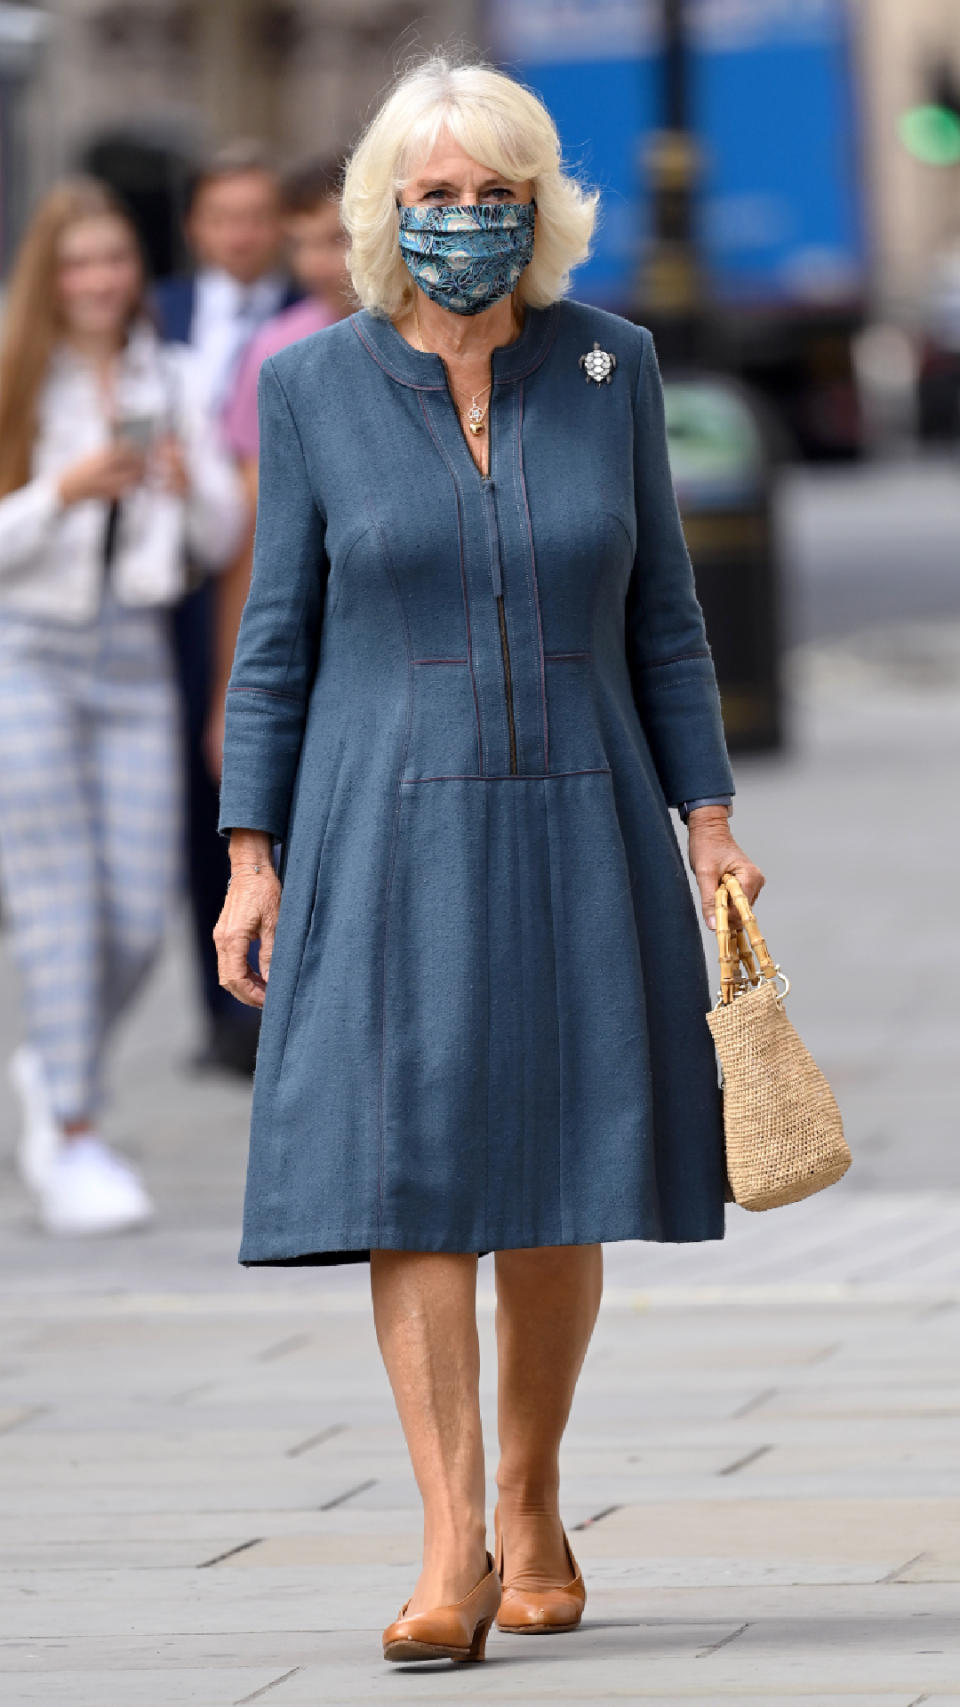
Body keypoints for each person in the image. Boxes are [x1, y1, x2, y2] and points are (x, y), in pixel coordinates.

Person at [213, 55, 765, 1664]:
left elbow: (664, 612)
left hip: (585, 800)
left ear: (540, 206)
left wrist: (711, 818)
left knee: (565, 1163)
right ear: (390, 209)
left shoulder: (616, 367)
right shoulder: (312, 388)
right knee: (415, 1171)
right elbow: (274, 641)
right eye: (439, 193)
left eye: (495, 192)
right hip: (382, 815)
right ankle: (449, 1540)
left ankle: (532, 1493)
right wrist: (252, 853)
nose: (467, 218)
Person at [0, 177, 245, 1235]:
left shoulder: (171, 373)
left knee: (141, 917)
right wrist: (63, 489)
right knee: (60, 902)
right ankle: (72, 1129)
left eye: (113, 261)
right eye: (77, 264)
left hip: (137, 658)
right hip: (27, 654)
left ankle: (46, 1064)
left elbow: (220, 540)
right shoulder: (17, 378)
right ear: (48, 278)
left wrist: (189, 484)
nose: (99, 281)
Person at [153, 143, 301, 1077]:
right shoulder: (157, 314)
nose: (242, 234)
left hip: (263, 563)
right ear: (196, 227)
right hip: (170, 587)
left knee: (250, 775)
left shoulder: (306, 323)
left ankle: (267, 993)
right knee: (191, 792)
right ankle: (215, 1001)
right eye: (224, 216)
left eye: (258, 216)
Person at [207, 157, 353, 769]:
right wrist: (229, 696)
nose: (315, 264)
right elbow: (254, 535)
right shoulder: (278, 350)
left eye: (336, 239)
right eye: (301, 244)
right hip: (316, 641)